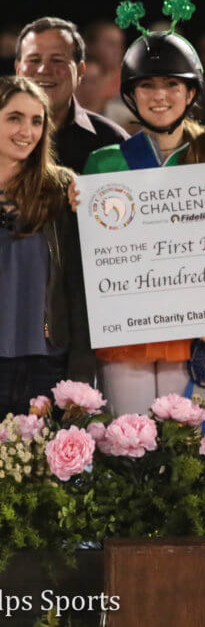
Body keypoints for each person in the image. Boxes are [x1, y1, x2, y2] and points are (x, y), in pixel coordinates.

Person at [76, 0, 205, 415]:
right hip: (128, 327)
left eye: (172, 84)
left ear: (190, 91)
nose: (159, 96)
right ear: (131, 94)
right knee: (129, 445)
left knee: (187, 453)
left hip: (196, 331)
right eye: (147, 85)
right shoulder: (104, 163)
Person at [0, 76, 94, 417]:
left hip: (46, 366)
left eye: (36, 121)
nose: (27, 131)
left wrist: (81, 374)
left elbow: (78, 287)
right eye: (14, 118)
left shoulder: (62, 189)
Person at [15, 17, 127, 173]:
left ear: (80, 70)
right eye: (34, 60)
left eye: (57, 60)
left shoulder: (114, 141)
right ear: (18, 69)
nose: (43, 70)